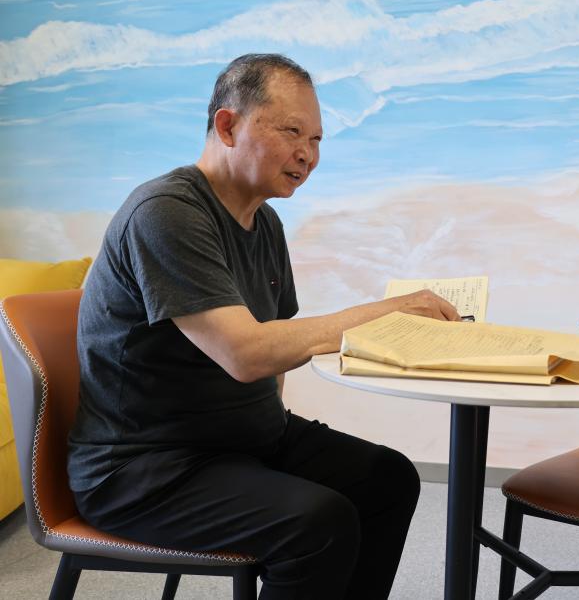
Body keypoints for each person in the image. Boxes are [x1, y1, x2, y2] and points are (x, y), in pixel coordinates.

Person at [68, 53, 459, 599]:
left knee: (388, 478)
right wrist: (383, 313)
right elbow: (247, 353)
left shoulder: (265, 221)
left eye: (316, 140)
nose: (307, 154)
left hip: (239, 440)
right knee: (316, 523)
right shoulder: (166, 212)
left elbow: (277, 350)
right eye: (292, 132)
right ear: (228, 126)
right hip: (144, 469)